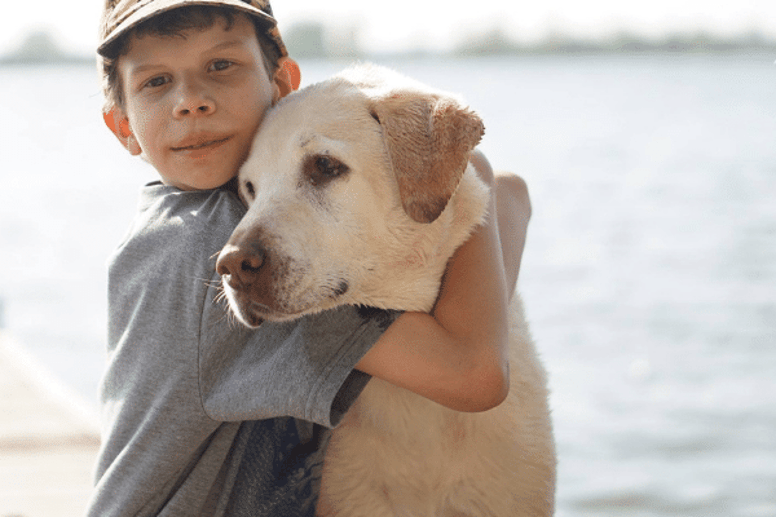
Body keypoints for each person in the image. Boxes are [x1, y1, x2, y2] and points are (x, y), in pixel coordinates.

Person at [87, 0, 531, 515]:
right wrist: (473, 173)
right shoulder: (202, 246)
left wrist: (460, 171)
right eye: (156, 82)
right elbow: (472, 373)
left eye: (220, 66)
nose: (191, 102)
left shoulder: (202, 215)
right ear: (122, 126)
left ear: (281, 84)